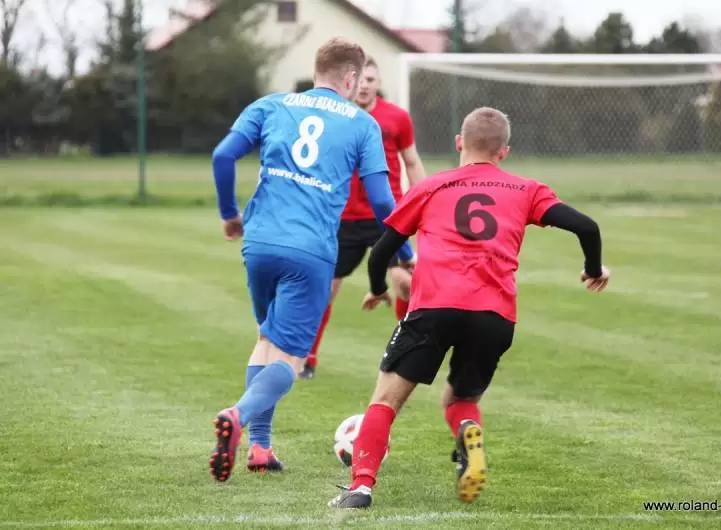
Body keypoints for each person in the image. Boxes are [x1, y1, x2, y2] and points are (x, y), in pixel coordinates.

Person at [328, 107, 610, 509]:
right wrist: (593, 269)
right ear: (504, 151)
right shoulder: (526, 189)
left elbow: (382, 253)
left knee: (385, 400)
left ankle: (360, 488)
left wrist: (377, 288)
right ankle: (466, 429)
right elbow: (587, 227)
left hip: (434, 307)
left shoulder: (432, 186)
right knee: (460, 399)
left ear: (459, 142)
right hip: (494, 316)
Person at [207, 37, 415, 482]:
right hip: (311, 249)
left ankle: (260, 447)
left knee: (267, 339)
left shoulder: (272, 104)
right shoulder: (362, 123)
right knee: (291, 360)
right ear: (351, 78)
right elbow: (383, 200)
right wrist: (404, 250)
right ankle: (237, 416)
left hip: (259, 241)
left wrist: (229, 214)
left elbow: (223, 155)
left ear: (317, 70)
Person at [301, 57, 426, 380]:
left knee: (406, 283)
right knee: (325, 289)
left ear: (377, 82)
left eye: (371, 79)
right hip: (342, 218)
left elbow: (411, 162)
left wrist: (424, 203)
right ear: (350, 82)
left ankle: (404, 357)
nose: (365, 85)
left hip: (388, 216)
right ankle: (308, 359)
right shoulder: (336, 116)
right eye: (361, 79)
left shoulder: (396, 118)